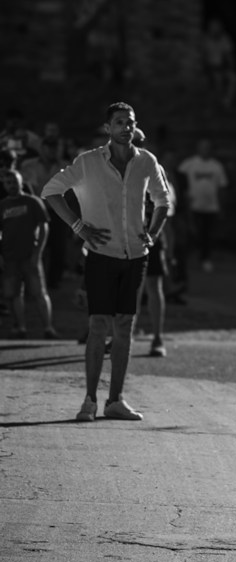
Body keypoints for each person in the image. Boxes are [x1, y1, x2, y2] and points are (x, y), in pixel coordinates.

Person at [41, 102, 172, 422]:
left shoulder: (146, 161)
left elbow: (162, 200)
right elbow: (51, 191)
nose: (126, 127)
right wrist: (77, 226)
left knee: (125, 327)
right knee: (98, 325)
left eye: (130, 122)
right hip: (101, 255)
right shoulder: (88, 162)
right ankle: (89, 400)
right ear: (108, 128)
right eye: (119, 122)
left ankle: (116, 400)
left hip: (136, 255)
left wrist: (152, 232)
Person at [133, 128, 176, 357]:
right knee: (129, 287)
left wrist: (159, 238)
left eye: (138, 142)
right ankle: (124, 335)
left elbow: (165, 207)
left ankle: (158, 337)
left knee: (152, 285)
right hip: (127, 233)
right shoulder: (117, 165)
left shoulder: (154, 168)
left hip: (151, 234)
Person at [1, 169, 57, 339]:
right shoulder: (2, 205)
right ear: (4, 184)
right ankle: (21, 328)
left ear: (21, 182)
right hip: (10, 257)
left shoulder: (33, 202)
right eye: (8, 182)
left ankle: (48, 328)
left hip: (30, 256)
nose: (11, 185)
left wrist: (37, 252)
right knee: (15, 294)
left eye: (14, 181)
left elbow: (44, 227)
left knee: (39, 292)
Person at [19, 136, 71, 289]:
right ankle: (32, 281)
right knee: (34, 247)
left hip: (59, 212)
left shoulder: (65, 166)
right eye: (48, 147)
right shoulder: (29, 165)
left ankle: (52, 283)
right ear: (42, 148)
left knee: (58, 248)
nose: (52, 150)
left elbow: (71, 191)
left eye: (54, 147)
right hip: (35, 211)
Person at [177, 138, 228, 273]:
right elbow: (178, 181)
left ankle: (205, 258)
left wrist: (221, 206)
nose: (205, 150)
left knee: (207, 234)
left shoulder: (216, 166)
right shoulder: (189, 164)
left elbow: (222, 187)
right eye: (202, 147)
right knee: (191, 233)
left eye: (207, 147)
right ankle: (186, 259)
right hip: (192, 206)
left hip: (211, 207)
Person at [202, 19, 236, 108]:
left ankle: (227, 101)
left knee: (233, 78)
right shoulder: (206, 39)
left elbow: (229, 56)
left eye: (217, 27)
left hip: (222, 67)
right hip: (210, 68)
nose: (215, 29)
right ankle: (219, 103)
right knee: (218, 80)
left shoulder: (224, 39)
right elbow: (204, 57)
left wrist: (232, 68)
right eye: (213, 27)